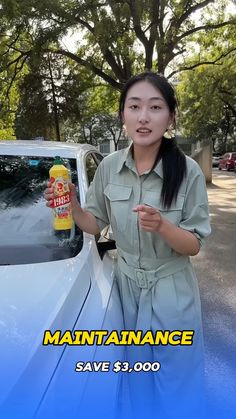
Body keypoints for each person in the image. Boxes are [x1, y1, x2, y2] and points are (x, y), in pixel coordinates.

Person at [45, 71, 211, 419]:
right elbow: (95, 224)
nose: (143, 116)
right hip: (126, 291)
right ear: (123, 115)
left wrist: (163, 226)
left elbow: (193, 244)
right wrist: (72, 205)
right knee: (136, 379)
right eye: (134, 107)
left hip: (171, 294)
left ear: (171, 117)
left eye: (155, 107)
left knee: (176, 385)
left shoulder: (189, 171)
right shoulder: (108, 167)